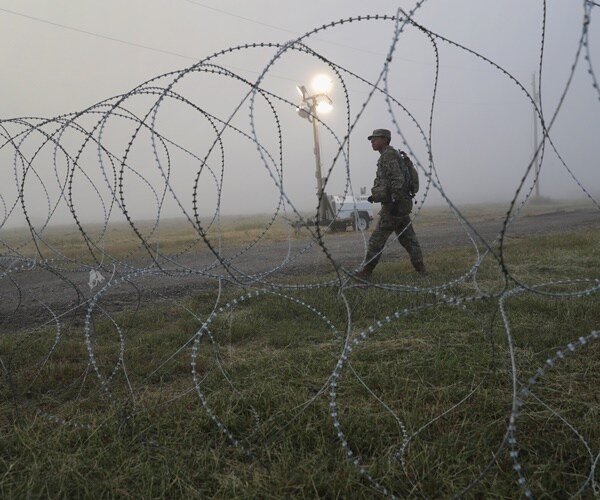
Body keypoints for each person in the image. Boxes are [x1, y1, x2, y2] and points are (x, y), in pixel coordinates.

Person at [356, 129, 426, 279]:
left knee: (377, 240)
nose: (372, 142)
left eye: (375, 139)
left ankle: (367, 271)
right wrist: (376, 196)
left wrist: (394, 199)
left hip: (394, 206)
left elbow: (397, 178)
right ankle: (421, 269)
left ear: (385, 139)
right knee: (408, 239)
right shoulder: (390, 155)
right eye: (371, 139)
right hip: (401, 204)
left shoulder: (388, 155)